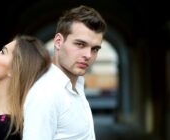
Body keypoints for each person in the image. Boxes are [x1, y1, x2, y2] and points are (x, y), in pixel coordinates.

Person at [23, 5, 107, 140]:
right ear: (58, 42)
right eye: (80, 44)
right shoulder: (46, 94)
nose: (88, 55)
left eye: (95, 49)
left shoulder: (76, 86)